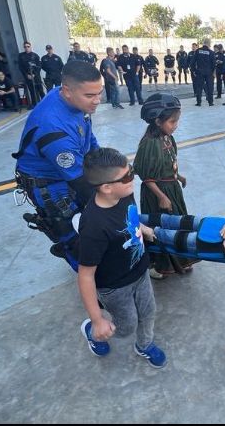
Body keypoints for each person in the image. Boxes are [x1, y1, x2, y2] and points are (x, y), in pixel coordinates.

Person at [76, 147, 167, 368]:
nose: (132, 178)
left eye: (131, 171)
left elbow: (130, 218)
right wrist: (98, 320)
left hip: (140, 271)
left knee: (148, 312)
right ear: (106, 187)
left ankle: (144, 345)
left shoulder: (124, 194)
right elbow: (86, 275)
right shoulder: (94, 227)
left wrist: (143, 228)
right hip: (115, 286)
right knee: (126, 327)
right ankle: (90, 329)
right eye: (127, 176)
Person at [13, 61, 103, 271]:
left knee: (90, 223)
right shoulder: (53, 127)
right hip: (50, 184)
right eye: (90, 96)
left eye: (99, 93)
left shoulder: (72, 100)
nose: (97, 100)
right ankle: (94, 284)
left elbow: (87, 136)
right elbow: (80, 181)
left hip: (68, 172)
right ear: (67, 91)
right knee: (73, 239)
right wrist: (110, 203)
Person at [134, 93, 191, 278]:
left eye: (177, 121)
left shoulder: (167, 138)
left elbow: (168, 163)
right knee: (160, 229)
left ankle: (180, 260)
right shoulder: (150, 144)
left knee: (176, 225)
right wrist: (162, 197)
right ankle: (158, 265)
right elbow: (147, 176)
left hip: (171, 188)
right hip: (158, 193)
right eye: (172, 122)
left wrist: (179, 177)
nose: (175, 126)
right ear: (158, 121)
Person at [18, 41, 45, 107]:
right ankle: (34, 104)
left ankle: (45, 103)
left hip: (36, 76)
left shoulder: (35, 55)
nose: (26, 48)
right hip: (28, 76)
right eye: (25, 47)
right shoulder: (21, 56)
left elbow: (39, 66)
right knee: (32, 91)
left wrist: (34, 74)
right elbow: (21, 67)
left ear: (30, 47)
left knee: (40, 90)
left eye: (28, 46)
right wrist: (27, 75)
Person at [191, 38, 216, 106]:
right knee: (210, 87)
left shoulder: (198, 51)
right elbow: (214, 64)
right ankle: (210, 102)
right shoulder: (211, 52)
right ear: (209, 44)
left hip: (199, 71)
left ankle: (199, 102)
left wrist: (193, 70)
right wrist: (213, 72)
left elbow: (193, 62)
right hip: (209, 72)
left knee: (199, 87)